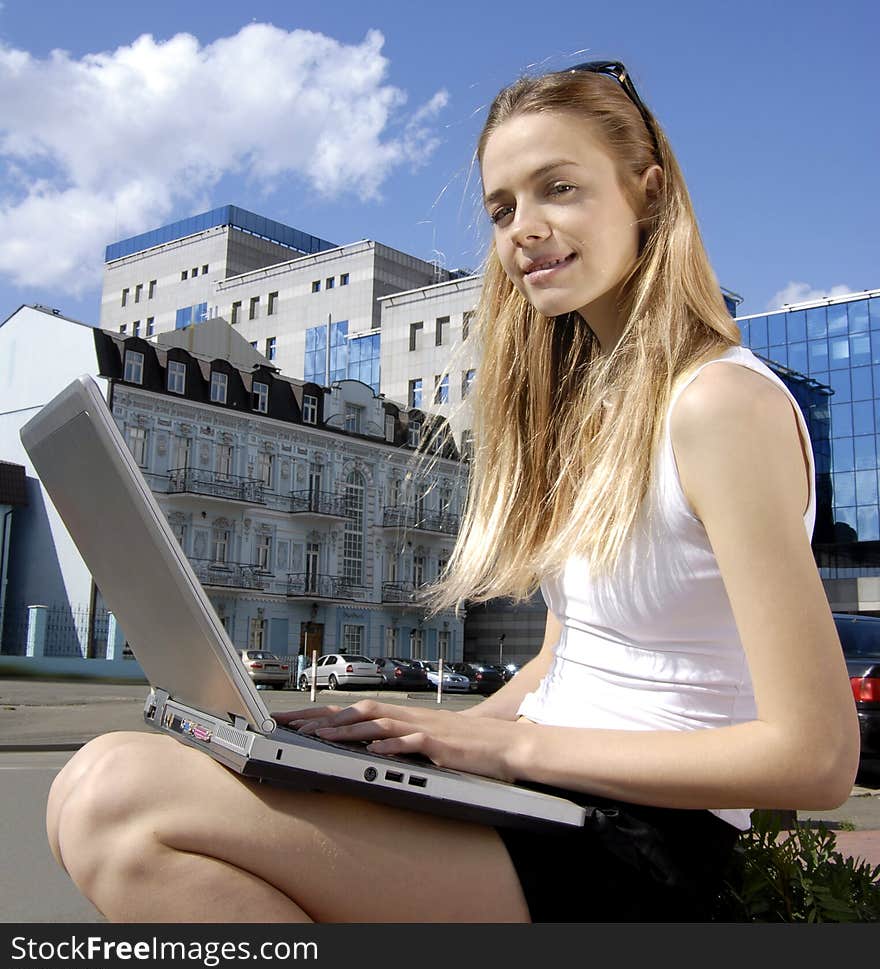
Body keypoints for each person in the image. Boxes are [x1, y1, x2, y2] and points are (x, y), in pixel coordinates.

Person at [45, 60, 860, 924]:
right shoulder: (594, 413)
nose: (525, 230)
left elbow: (815, 756)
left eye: (559, 189)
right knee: (90, 806)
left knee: (118, 796)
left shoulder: (719, 403)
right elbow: (568, 657)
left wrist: (508, 744)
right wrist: (408, 735)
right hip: (546, 796)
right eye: (503, 207)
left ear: (648, 194)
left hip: (645, 845)